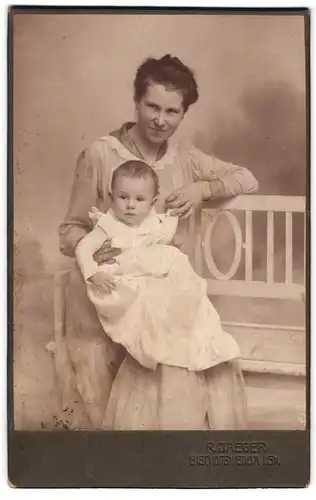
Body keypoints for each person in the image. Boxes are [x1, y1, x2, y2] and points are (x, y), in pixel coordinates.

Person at [59, 54, 258, 429]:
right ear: (136, 101)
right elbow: (69, 231)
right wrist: (107, 251)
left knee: (191, 353)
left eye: (173, 111)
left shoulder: (185, 156)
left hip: (162, 300)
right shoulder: (100, 154)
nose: (160, 120)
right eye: (152, 106)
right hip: (109, 291)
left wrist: (203, 188)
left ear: (184, 114)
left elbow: (246, 178)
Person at [75, 160, 241, 383]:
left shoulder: (151, 221)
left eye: (139, 199)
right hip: (124, 277)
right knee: (146, 300)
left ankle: (193, 332)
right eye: (123, 197)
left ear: (152, 203)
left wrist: (172, 216)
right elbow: (83, 248)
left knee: (177, 277)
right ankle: (153, 345)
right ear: (111, 196)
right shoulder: (108, 224)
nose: (131, 205)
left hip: (150, 274)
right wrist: (92, 272)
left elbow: (163, 237)